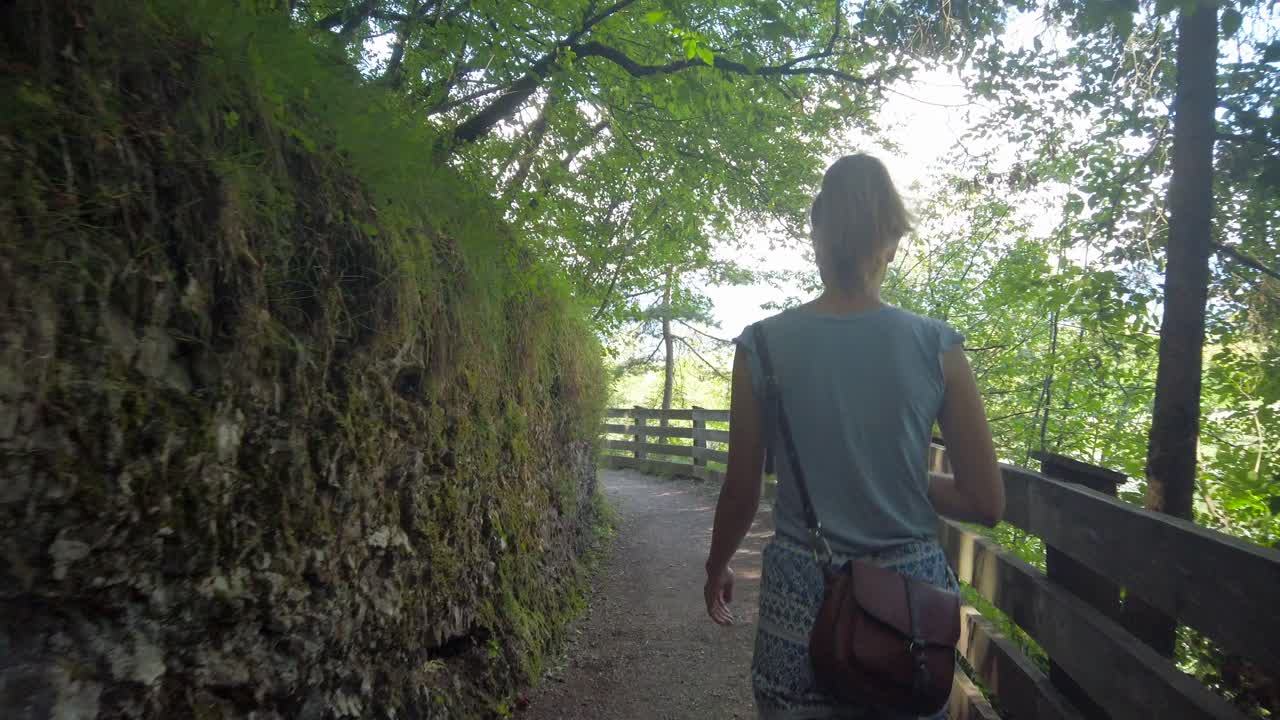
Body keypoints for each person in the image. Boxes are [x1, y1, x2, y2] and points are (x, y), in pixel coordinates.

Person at [703, 154, 1005, 719]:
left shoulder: (760, 346)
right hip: (908, 617)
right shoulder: (938, 347)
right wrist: (901, 476)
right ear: (890, 243)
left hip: (801, 600)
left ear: (817, 237)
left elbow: (742, 488)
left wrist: (716, 565)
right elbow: (985, 501)